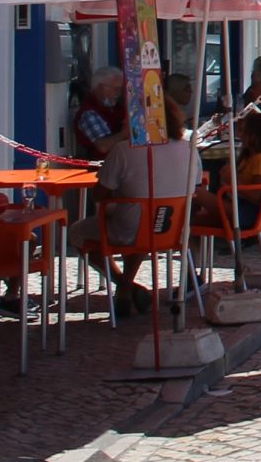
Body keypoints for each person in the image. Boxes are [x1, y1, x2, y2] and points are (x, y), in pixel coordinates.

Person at [93, 92, 202, 315]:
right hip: (171, 230)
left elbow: (99, 194)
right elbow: (196, 186)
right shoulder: (189, 149)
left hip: (134, 228)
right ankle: (127, 286)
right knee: (144, 217)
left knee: (78, 232)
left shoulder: (123, 150)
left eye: (127, 116)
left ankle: (124, 284)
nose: (123, 121)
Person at [70, 67, 128, 161]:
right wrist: (125, 132)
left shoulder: (116, 108)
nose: (118, 93)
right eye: (116, 89)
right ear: (101, 88)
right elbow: (103, 146)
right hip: (100, 169)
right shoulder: (88, 113)